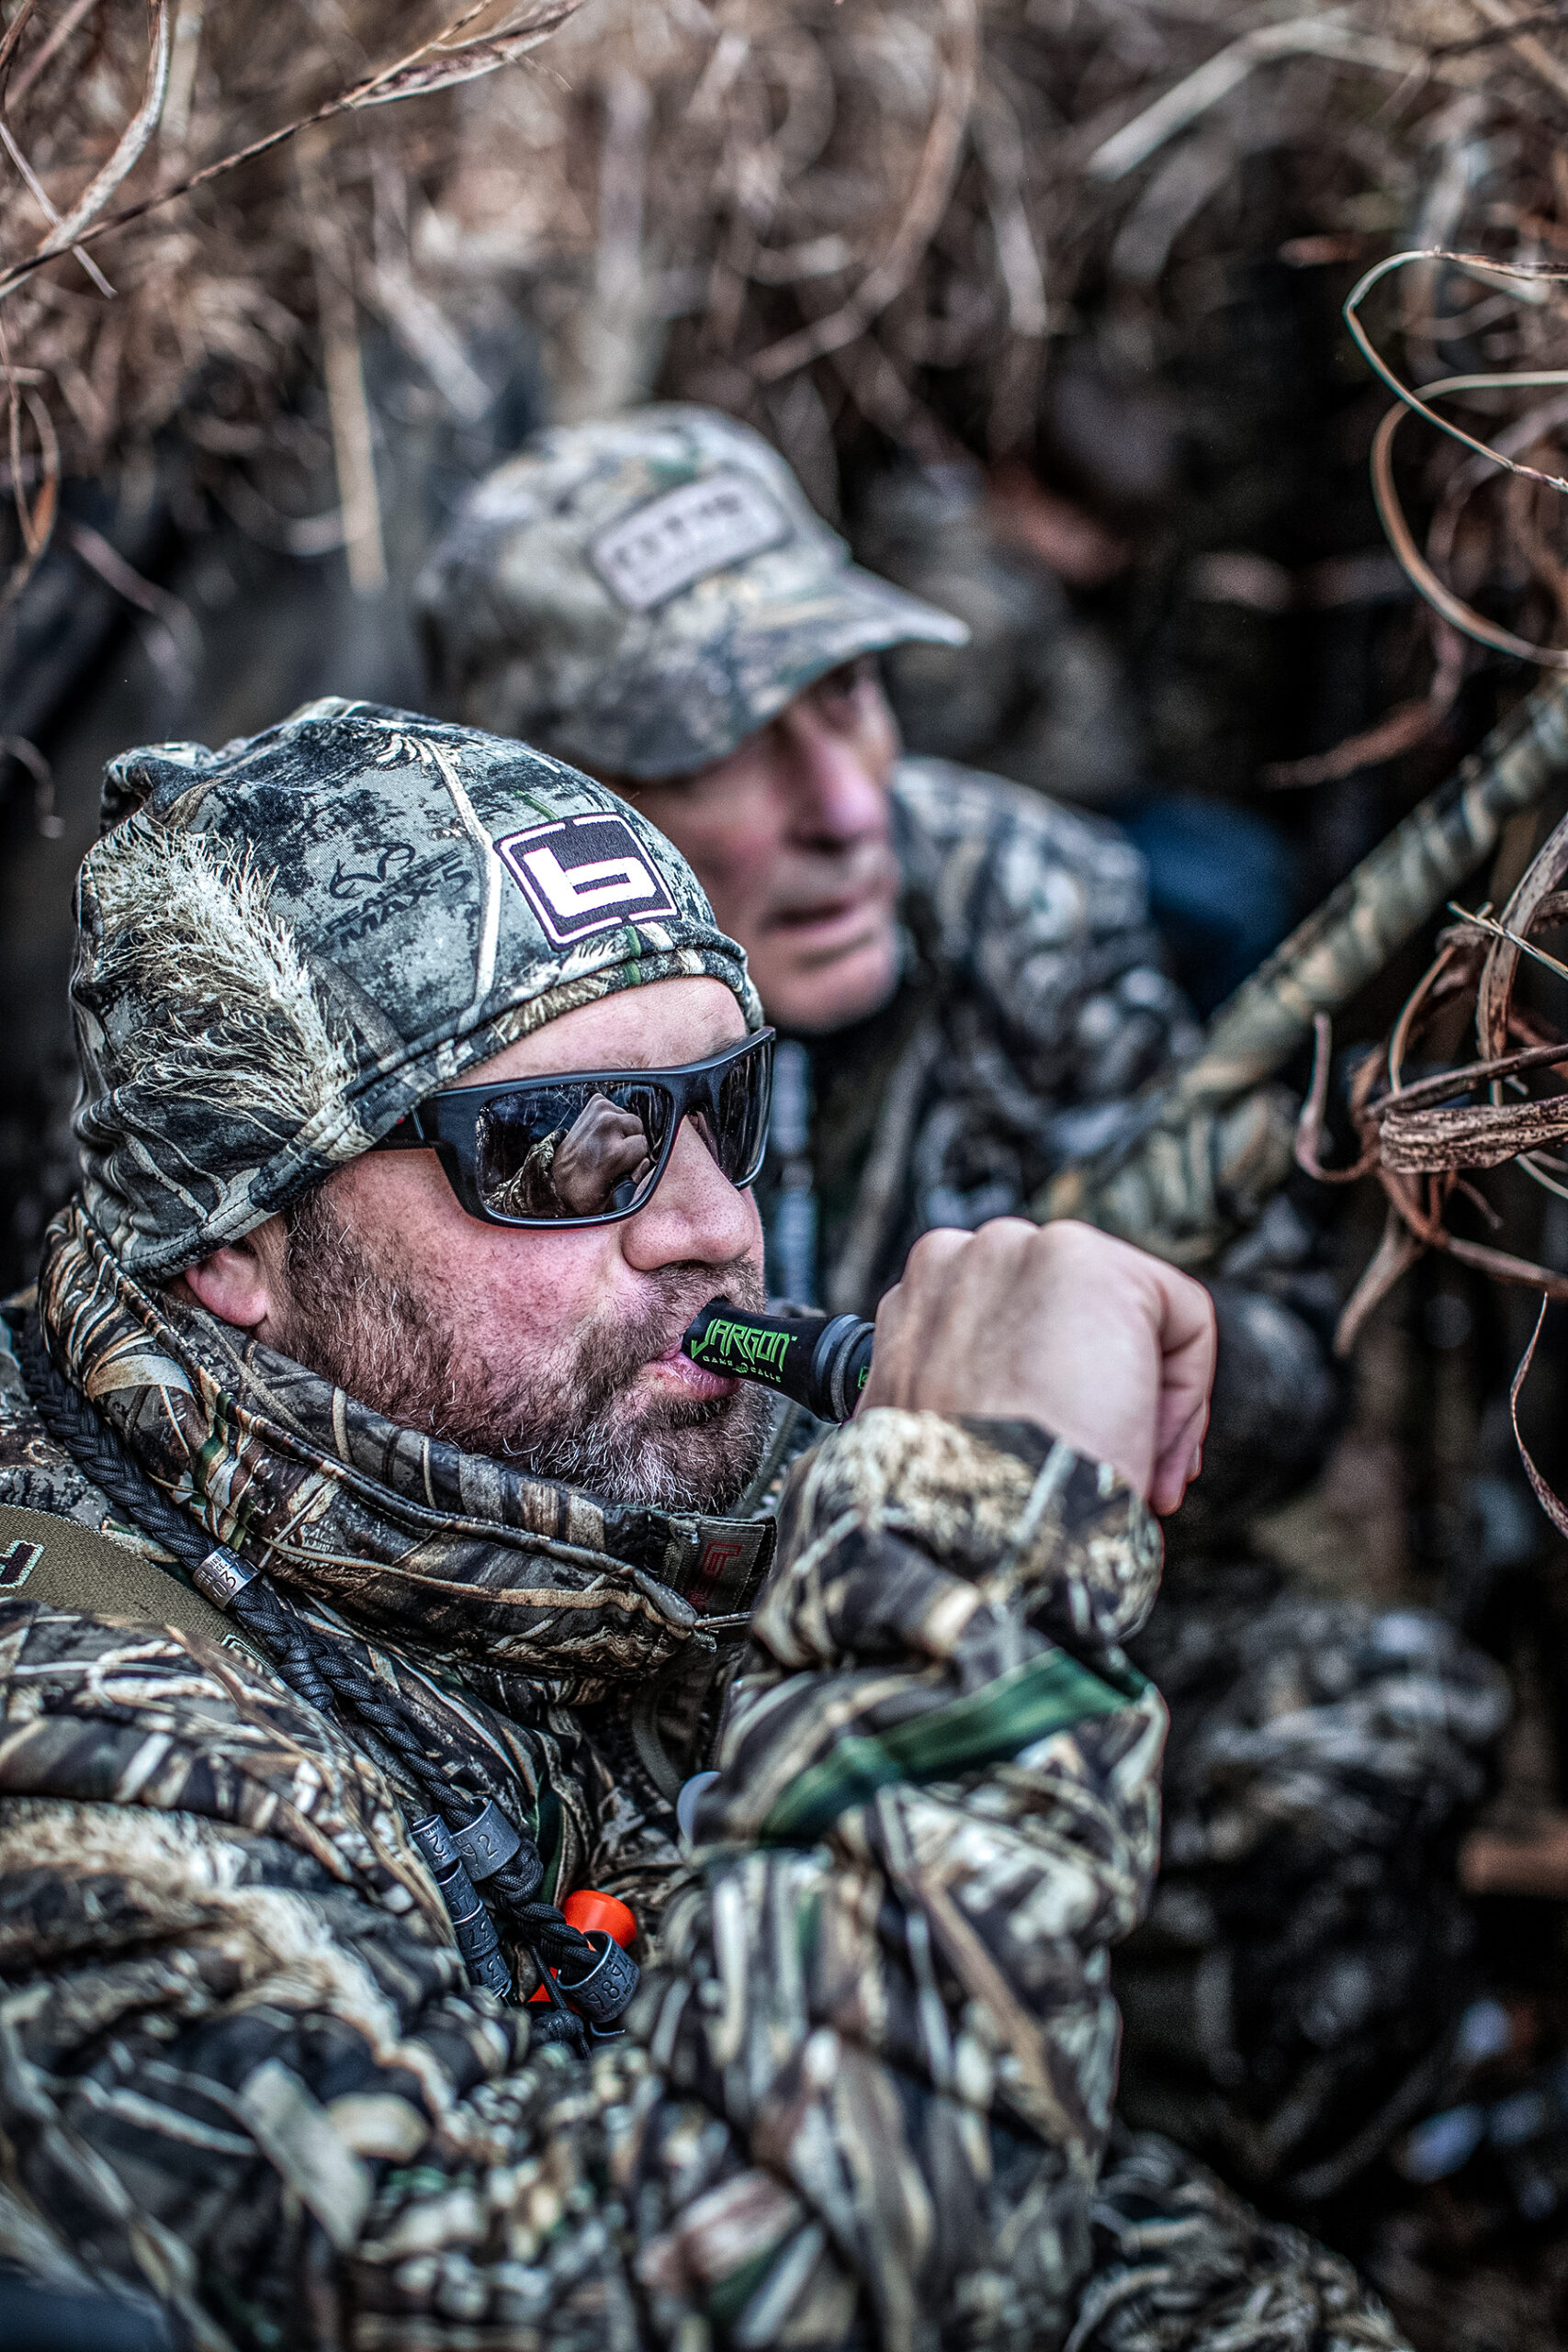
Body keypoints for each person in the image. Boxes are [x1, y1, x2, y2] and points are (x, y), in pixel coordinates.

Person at [0, 699, 1406, 2350]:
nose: (712, 1225)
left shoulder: (563, 1500)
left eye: (722, 1106)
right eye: (556, 1147)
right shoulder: (72, 1756)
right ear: (231, 1244)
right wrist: (963, 1561)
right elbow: (706, 2299)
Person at [414, 412, 1509, 2216]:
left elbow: (1283, 1379)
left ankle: (1224, 2188)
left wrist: (1101, 1359)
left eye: (849, 693)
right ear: (543, 812)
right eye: (722, 747)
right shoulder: (426, 1024)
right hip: (588, 1677)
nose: (847, 807)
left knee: (1364, 1720)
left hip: (989, 1602)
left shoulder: (1023, 897)